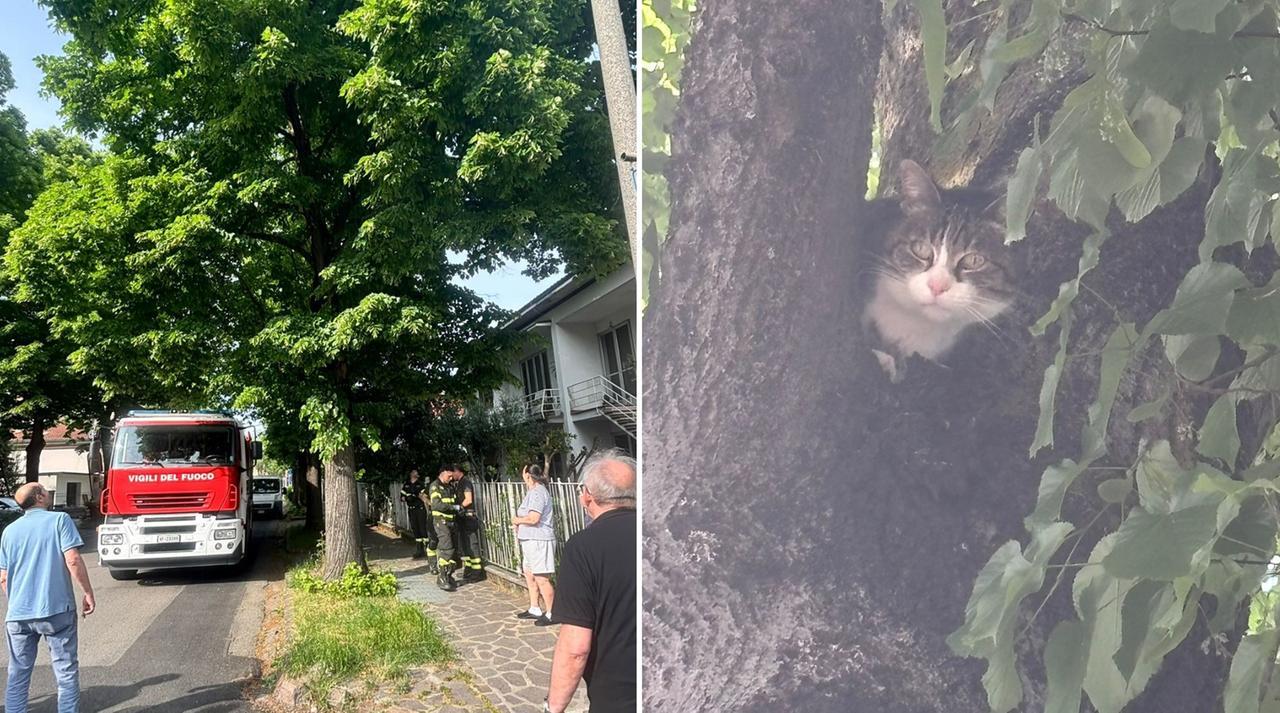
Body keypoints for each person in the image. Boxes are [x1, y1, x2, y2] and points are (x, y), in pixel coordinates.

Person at [545, 451, 636, 713]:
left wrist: (554, 707)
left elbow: (576, 649)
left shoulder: (583, 548)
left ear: (587, 496)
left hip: (618, 700)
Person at [0, 482, 96, 713]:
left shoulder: (9, 531)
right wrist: (87, 593)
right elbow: (72, 559)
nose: (48, 492)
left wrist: (17, 603)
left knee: (18, 673)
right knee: (65, 670)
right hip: (56, 610)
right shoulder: (59, 520)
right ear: (40, 497)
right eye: (45, 489)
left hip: (18, 615)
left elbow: (3, 577)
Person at [512, 464, 556, 626]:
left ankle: (552, 612)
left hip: (539, 541)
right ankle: (535, 607)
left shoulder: (538, 492)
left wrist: (517, 520)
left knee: (541, 577)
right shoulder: (533, 491)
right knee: (530, 574)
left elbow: (533, 518)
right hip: (530, 541)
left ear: (527, 476)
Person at [428, 466, 463, 591]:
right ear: (443, 472)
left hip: (452, 521)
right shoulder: (435, 486)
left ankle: (449, 576)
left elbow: (455, 502)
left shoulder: (450, 487)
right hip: (441, 521)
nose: (451, 478)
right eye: (449, 476)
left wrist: (459, 509)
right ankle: (441, 577)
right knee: (446, 548)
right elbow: (436, 505)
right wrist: (453, 508)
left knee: (453, 549)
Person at [453, 464, 485, 582]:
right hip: (462, 519)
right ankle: (469, 569)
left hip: (468, 518)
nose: (452, 475)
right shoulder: (459, 483)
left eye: (453, 472)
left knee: (472, 544)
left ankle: (477, 572)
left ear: (458, 471)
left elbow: (468, 499)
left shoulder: (465, 483)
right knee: (466, 546)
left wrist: (458, 507)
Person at [399, 469, 432, 566]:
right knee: (415, 528)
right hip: (411, 509)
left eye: (417, 473)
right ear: (411, 474)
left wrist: (416, 496)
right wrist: (406, 498)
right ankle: (419, 550)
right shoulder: (406, 485)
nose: (417, 474)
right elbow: (401, 496)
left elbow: (423, 495)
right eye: (415, 473)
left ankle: (427, 549)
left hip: (420, 509)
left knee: (422, 528)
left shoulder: (420, 484)